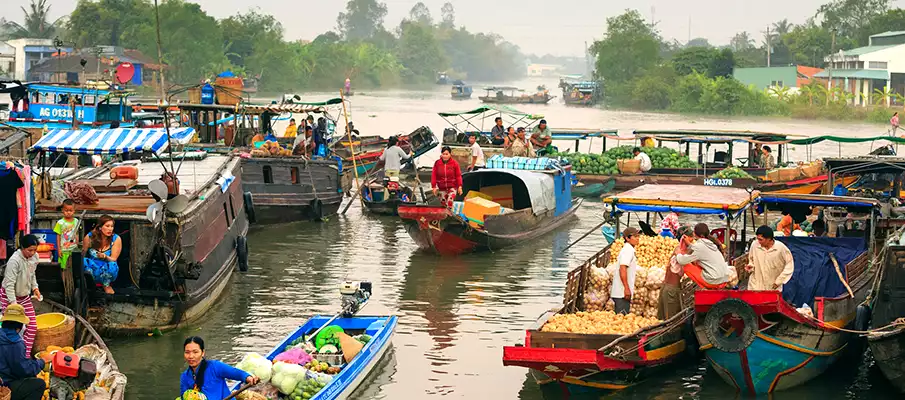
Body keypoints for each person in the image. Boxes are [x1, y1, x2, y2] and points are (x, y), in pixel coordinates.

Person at [180, 336, 259, 400]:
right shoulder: (185, 377)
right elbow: (184, 397)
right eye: (187, 352)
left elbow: (236, 373)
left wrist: (249, 378)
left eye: (195, 352)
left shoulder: (215, 367)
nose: (191, 356)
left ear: (203, 353)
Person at [1, 235, 40, 358]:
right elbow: (9, 284)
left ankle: (24, 356)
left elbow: (32, 274)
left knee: (32, 326)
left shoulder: (34, 257)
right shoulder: (14, 261)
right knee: (10, 329)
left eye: (35, 250)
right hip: (9, 296)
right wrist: (13, 303)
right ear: (22, 248)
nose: (32, 253)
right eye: (30, 250)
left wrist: (35, 288)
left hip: (24, 297)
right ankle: (6, 355)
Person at [0, 304, 46, 400]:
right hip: (6, 384)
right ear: (19, 326)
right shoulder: (16, 343)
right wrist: (42, 362)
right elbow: (24, 370)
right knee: (39, 384)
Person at [675, 223, 730, 289]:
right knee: (696, 263)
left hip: (714, 280)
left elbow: (682, 261)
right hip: (723, 278)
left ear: (694, 234)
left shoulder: (699, 246)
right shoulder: (710, 243)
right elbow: (699, 249)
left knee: (686, 266)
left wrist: (678, 253)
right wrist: (689, 244)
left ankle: (705, 287)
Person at [746, 226, 795, 291]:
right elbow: (751, 260)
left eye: (761, 239)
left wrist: (779, 281)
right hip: (755, 285)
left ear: (769, 239)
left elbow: (789, 265)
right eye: (758, 239)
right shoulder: (754, 245)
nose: (759, 241)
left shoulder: (780, 248)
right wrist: (750, 267)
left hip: (773, 286)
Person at [659, 225, 693, 320]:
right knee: (671, 321)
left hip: (667, 288)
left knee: (665, 320)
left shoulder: (678, 249)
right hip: (671, 291)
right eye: (692, 238)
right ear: (685, 238)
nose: (693, 241)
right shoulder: (682, 252)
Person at [82, 215, 121, 295]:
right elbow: (83, 254)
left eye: (112, 226)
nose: (110, 229)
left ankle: (106, 285)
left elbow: (114, 258)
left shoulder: (116, 238)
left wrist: (105, 257)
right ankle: (90, 284)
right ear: (100, 227)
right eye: (107, 226)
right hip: (92, 269)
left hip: (106, 270)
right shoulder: (89, 237)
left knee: (112, 265)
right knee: (83, 261)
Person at [611, 227, 640, 315]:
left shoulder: (629, 249)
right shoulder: (628, 250)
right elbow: (622, 268)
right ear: (627, 238)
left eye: (638, 236)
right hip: (621, 293)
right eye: (635, 236)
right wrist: (626, 288)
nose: (638, 238)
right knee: (621, 318)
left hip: (622, 292)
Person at [54, 199, 80, 270]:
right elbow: (58, 236)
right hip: (64, 250)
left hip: (73, 250)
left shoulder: (76, 221)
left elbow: (77, 233)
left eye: (71, 210)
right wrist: (59, 250)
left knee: (73, 268)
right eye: (66, 210)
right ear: (62, 210)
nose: (68, 212)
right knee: (63, 269)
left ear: (74, 210)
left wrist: (77, 243)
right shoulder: (60, 222)